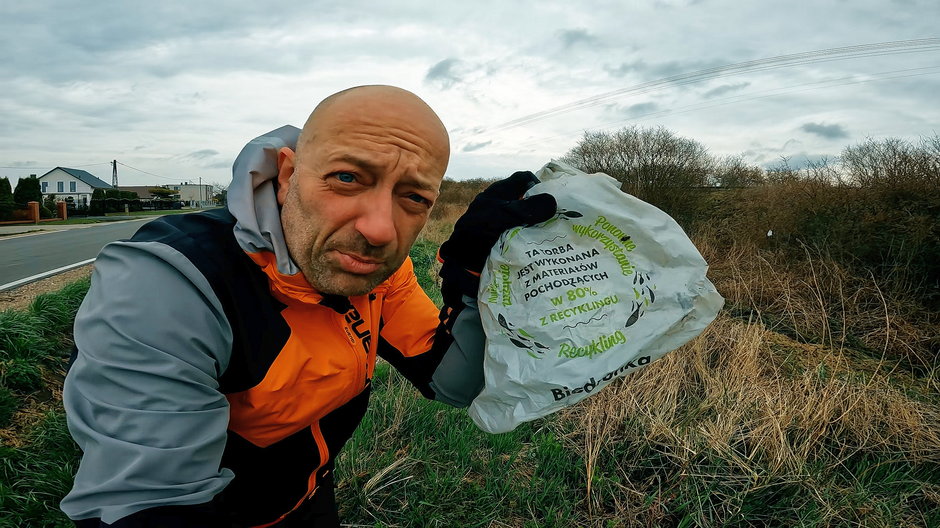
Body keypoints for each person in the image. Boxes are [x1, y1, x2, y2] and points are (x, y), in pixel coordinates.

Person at [60, 85, 557, 527]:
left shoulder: (377, 271)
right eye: (347, 178)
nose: (379, 229)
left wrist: (473, 283)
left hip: (311, 497)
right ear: (287, 175)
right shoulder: (176, 283)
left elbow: (454, 382)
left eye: (413, 197)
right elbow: (147, 502)